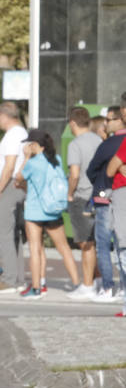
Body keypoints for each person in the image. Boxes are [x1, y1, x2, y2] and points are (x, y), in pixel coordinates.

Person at [15, 128, 74, 299]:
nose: (25, 147)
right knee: (64, 248)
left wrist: (26, 158)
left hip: (35, 211)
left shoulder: (32, 163)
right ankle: (78, 283)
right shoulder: (56, 159)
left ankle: (37, 288)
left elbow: (19, 178)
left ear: (34, 145)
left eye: (28, 144)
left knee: (36, 249)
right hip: (54, 209)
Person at [87, 104, 126, 302]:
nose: (105, 123)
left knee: (103, 244)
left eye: (109, 119)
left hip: (106, 195)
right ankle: (123, 288)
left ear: (120, 119)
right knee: (121, 244)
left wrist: (102, 179)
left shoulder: (110, 144)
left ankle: (108, 287)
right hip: (118, 195)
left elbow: (93, 169)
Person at [0, 101, 29, 288]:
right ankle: (18, 278)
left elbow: (10, 164)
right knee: (13, 234)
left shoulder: (14, 135)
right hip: (16, 186)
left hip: (8, 186)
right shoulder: (21, 133)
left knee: (4, 232)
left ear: (3, 116)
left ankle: (9, 280)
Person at [64, 106, 101, 298]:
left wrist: (70, 194)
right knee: (95, 242)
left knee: (85, 243)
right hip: (100, 197)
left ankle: (87, 286)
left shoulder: (75, 144)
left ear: (72, 123)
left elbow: (74, 175)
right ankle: (98, 280)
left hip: (82, 197)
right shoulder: (99, 140)